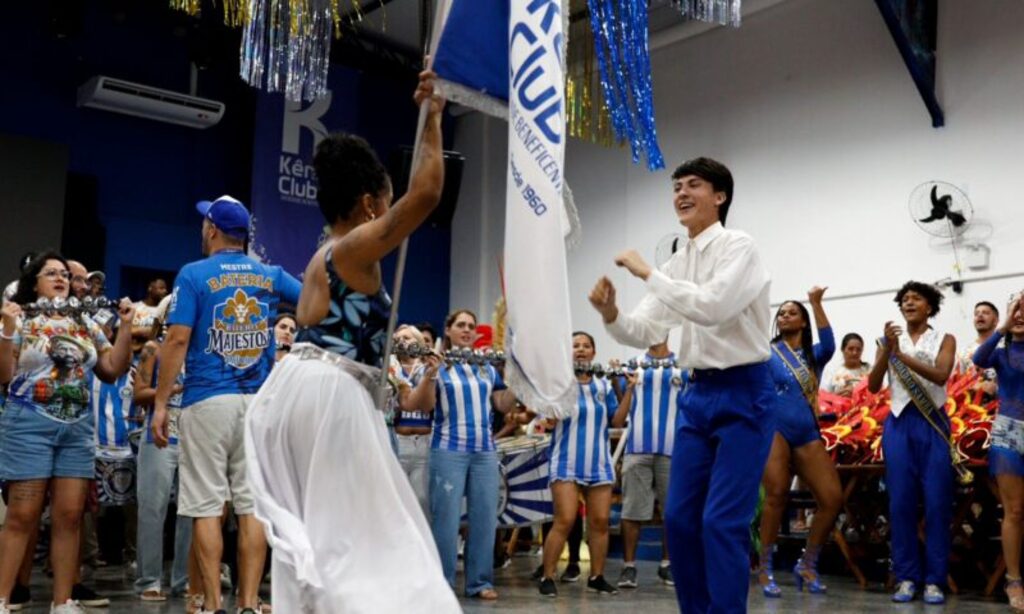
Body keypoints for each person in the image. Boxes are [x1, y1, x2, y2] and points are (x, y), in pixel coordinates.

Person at [242, 70, 460, 612]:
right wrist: (433, 115)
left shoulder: (323, 254)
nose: (390, 212)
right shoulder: (353, 249)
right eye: (386, 202)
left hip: (300, 389)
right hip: (331, 394)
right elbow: (429, 192)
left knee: (334, 531)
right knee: (368, 534)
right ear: (368, 204)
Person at [589, 157, 774, 613]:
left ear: (720, 196)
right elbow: (644, 329)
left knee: (721, 522)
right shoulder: (679, 260)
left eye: (694, 185)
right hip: (696, 395)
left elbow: (713, 307)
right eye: (676, 187)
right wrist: (611, 314)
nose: (681, 194)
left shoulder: (739, 247)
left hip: (744, 391)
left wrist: (646, 273)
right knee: (679, 519)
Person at [151, 195, 302, 614]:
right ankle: (250, 604)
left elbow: (177, 339)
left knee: (205, 506)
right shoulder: (269, 274)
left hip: (206, 400)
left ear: (212, 230)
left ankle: (214, 604)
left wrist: (161, 404)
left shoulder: (193, 274)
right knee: (251, 506)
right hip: (256, 403)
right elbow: (311, 305)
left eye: (205, 223)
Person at [0, 252, 134, 613]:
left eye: (64, 274)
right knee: (22, 516)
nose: (61, 278)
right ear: (34, 282)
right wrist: (7, 330)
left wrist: (124, 328)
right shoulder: (21, 317)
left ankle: (63, 602)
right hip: (28, 424)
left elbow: (111, 369)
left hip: (76, 428)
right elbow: (3, 376)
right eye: (51, 273)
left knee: (70, 516)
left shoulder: (85, 323)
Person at [867, 281, 956, 605]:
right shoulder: (888, 340)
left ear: (930, 307)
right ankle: (906, 577)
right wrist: (885, 352)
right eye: (904, 299)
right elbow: (874, 385)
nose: (909, 303)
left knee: (937, 503)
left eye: (916, 298)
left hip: (932, 423)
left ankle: (934, 580)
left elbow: (941, 374)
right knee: (900, 503)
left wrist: (900, 354)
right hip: (899, 424)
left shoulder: (945, 338)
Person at [424, 309, 517, 600]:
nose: (467, 330)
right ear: (448, 331)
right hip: (448, 451)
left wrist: (520, 382)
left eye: (471, 326)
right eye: (460, 325)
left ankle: (479, 582)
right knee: (446, 521)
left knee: (485, 518)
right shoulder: (439, 366)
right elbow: (426, 405)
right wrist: (429, 374)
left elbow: (502, 404)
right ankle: (443, 584)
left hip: (484, 453)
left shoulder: (486, 368)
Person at [756, 288, 842, 597]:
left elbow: (831, 343)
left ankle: (807, 564)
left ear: (803, 321)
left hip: (806, 432)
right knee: (777, 493)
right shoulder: (766, 353)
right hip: (775, 428)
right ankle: (765, 568)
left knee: (832, 498)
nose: (785, 316)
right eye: (781, 313)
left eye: (792, 312)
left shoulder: (813, 355)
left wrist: (817, 303)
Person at [538, 332, 619, 597]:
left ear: (594, 353)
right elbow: (548, 422)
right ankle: (547, 575)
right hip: (566, 461)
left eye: (586, 346)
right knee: (565, 519)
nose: (581, 350)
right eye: (575, 346)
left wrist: (627, 388)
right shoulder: (559, 385)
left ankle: (597, 576)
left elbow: (616, 419)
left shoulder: (603, 385)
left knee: (600, 521)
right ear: (568, 352)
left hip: (599, 462)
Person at [611, 339, 685, 589]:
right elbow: (621, 411)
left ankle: (668, 564)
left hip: (673, 448)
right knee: (631, 510)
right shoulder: (634, 365)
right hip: (637, 447)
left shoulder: (683, 364)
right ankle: (629, 567)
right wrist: (619, 384)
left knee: (672, 512)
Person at [973, 294, 1024, 612]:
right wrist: (1003, 325)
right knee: (1015, 511)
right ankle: (1014, 580)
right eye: (1017, 309)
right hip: (1008, 433)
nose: (1021, 315)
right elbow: (979, 357)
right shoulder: (1001, 354)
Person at [133, 328, 192, 602]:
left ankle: (186, 579)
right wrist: (170, 389)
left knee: (192, 511)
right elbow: (139, 393)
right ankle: (149, 580)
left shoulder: (203, 348)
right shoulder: (152, 349)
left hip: (196, 434)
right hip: (159, 434)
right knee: (152, 509)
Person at [393, 324, 440, 519]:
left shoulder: (429, 369)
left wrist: (431, 375)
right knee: (396, 505)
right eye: (398, 338)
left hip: (423, 446)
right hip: (397, 443)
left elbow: (428, 406)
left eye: (407, 337)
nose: (402, 341)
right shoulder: (390, 366)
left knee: (422, 504)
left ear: (419, 344)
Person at [823, 333, 871, 397]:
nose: (854, 353)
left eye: (858, 349)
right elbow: (823, 398)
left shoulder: (870, 370)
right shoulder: (832, 371)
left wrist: (856, 392)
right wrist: (837, 396)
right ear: (843, 350)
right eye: (850, 349)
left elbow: (880, 394)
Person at [132, 278, 169, 351]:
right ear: (150, 288)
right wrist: (139, 331)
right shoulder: (134, 307)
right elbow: (119, 330)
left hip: (153, 355)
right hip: (131, 353)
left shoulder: (165, 312)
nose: (165, 291)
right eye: (161, 288)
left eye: (165, 289)